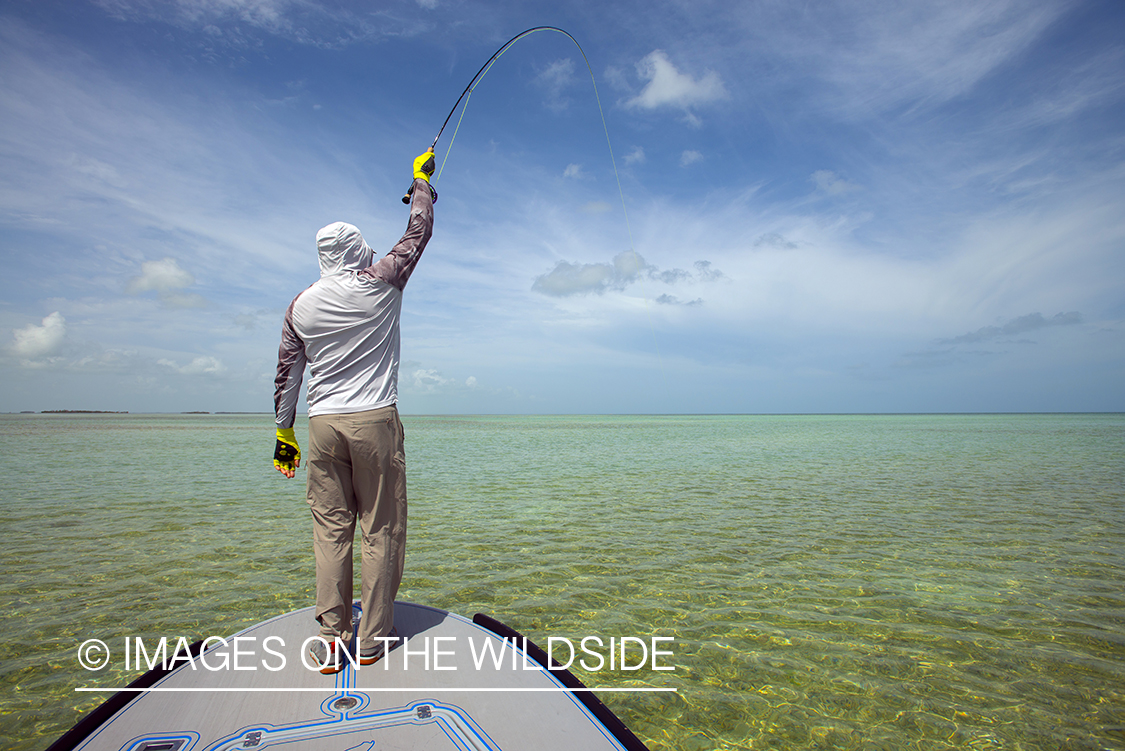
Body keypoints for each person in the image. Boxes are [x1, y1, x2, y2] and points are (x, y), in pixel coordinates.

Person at [272, 150, 436, 674]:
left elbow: (287, 374)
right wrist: (420, 182)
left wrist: (284, 433)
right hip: (374, 423)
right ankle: (372, 638)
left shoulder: (300, 303)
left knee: (331, 531)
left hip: (321, 428)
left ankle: (331, 635)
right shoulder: (381, 281)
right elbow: (417, 234)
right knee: (381, 529)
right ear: (355, 248)